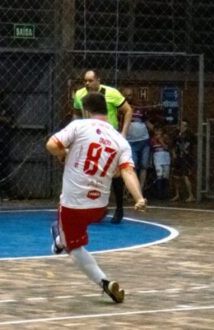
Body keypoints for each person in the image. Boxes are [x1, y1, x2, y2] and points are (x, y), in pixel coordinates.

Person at [47, 92, 147, 304]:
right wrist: (139, 198)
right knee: (64, 234)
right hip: (99, 207)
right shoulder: (120, 140)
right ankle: (59, 241)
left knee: (73, 246)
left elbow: (51, 145)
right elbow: (128, 172)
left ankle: (104, 283)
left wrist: (64, 153)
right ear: (107, 111)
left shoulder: (79, 126)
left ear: (85, 110)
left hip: (73, 204)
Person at [73, 70, 133, 224]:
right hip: (90, 139)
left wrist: (123, 132)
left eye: (90, 80)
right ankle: (97, 208)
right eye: (85, 80)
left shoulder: (111, 93)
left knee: (115, 174)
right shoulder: (79, 94)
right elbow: (76, 114)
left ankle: (119, 208)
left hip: (109, 139)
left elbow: (128, 110)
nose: (87, 83)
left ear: (98, 80)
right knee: (91, 174)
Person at [122, 88, 153, 195]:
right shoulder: (121, 109)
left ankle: (141, 188)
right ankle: (134, 189)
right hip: (130, 141)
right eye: (126, 95)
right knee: (133, 166)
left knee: (144, 165)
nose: (128, 97)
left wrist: (156, 129)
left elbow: (147, 122)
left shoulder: (139, 108)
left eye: (130, 95)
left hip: (144, 140)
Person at [170, 119, 196, 202]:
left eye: (184, 126)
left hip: (186, 157)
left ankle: (191, 195)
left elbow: (194, 143)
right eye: (181, 125)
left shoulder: (189, 135)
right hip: (178, 157)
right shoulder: (176, 134)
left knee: (186, 175)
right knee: (176, 176)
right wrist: (174, 153)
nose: (182, 127)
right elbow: (172, 145)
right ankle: (177, 194)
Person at [150, 126, 171, 199]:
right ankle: (159, 194)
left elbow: (166, 147)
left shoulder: (165, 138)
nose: (158, 133)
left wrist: (161, 141)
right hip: (157, 158)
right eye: (156, 131)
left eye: (159, 131)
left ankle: (165, 193)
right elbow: (151, 149)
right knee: (159, 175)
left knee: (165, 175)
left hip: (165, 157)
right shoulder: (152, 140)